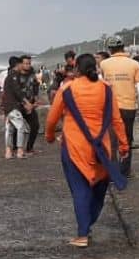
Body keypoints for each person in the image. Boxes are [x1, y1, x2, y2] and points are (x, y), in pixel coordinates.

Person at [45, 54, 129, 248]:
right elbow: (116, 120)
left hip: (74, 147)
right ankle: (88, 223)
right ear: (96, 68)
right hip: (101, 149)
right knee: (99, 189)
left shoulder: (67, 88)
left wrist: (49, 136)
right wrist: (124, 145)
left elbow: (52, 118)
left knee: (80, 189)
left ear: (77, 69)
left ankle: (83, 233)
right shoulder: (106, 89)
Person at [99, 41, 139, 176]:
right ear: (123, 48)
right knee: (127, 139)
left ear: (110, 49)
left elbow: (101, 84)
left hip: (110, 107)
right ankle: (125, 170)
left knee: (111, 141)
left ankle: (113, 171)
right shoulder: (134, 64)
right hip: (128, 107)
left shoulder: (103, 64)